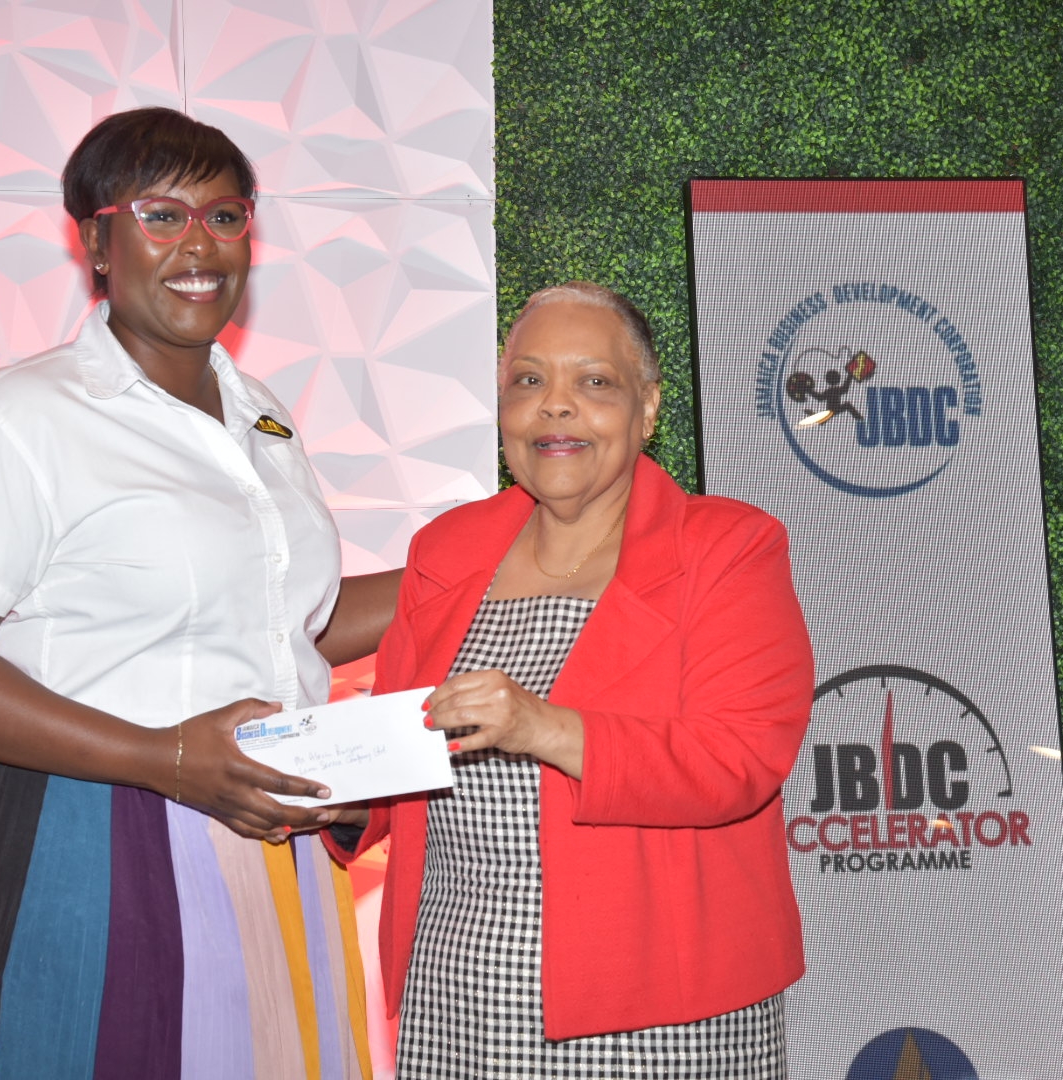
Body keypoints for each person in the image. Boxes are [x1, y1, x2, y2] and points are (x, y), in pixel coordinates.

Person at [0, 107, 394, 1079]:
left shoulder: (262, 416)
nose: (200, 244)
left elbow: (287, 628)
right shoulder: (22, 415)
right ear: (97, 243)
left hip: (260, 832)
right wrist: (163, 756)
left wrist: (487, 563)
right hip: (75, 837)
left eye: (225, 217)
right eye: (162, 215)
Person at [333, 282, 814, 1076]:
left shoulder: (727, 548)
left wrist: (542, 727)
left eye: (594, 381)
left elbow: (739, 760)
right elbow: (405, 753)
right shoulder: (445, 551)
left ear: (647, 408)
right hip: (460, 997)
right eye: (528, 380)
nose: (555, 405)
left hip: (662, 1009)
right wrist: (345, 801)